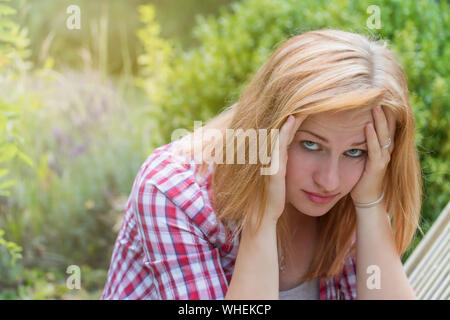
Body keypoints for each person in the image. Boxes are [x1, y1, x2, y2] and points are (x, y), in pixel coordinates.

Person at [101, 29, 422, 300]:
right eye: (311, 145)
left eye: (355, 152)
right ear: (268, 131)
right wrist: (261, 219)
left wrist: (370, 204)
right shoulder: (173, 190)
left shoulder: (358, 186)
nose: (330, 180)